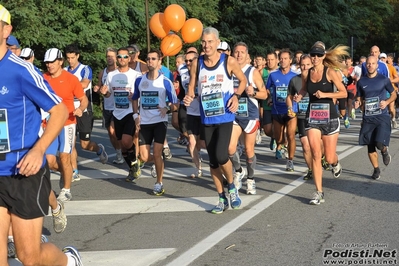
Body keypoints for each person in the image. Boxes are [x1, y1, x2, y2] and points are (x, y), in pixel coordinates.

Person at [0, 5, 82, 265]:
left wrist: (38, 150)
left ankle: (68, 260)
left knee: (29, 257)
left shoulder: (20, 70)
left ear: (7, 29)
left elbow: (59, 110)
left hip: (24, 171)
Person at [183, 27, 247, 214]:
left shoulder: (229, 61)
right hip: (206, 118)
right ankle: (221, 198)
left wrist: (236, 96)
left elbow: (242, 81)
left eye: (210, 41)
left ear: (218, 43)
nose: (206, 45)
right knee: (212, 161)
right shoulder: (197, 63)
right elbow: (192, 88)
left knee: (221, 155)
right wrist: (189, 96)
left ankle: (232, 187)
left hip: (225, 116)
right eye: (203, 42)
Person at [294, 41, 348, 205]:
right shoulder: (307, 74)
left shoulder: (330, 72)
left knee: (329, 157)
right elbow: (304, 89)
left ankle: (335, 163)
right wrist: (300, 95)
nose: (315, 58)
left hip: (330, 117)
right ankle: (318, 192)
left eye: (318, 55)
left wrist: (325, 94)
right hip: (313, 118)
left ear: (324, 56)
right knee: (316, 154)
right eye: (313, 55)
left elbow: (343, 92)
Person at [43, 48, 88, 203]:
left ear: (60, 62)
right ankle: (65, 171)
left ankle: (66, 190)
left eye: (52, 62)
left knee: (64, 156)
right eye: (47, 63)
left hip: (68, 123)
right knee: (49, 160)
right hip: (50, 124)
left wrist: (80, 109)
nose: (49, 65)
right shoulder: (43, 78)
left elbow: (83, 99)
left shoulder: (71, 79)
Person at [132, 49, 179, 195]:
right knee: (144, 157)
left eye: (153, 59)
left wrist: (168, 109)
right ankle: (157, 164)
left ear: (159, 62)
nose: (150, 61)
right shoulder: (140, 80)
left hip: (159, 121)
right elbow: (134, 98)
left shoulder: (166, 82)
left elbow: (175, 104)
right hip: (144, 122)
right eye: (148, 59)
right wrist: (135, 116)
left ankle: (159, 182)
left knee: (157, 153)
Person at [64, 44, 108, 182]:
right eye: (68, 58)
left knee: (84, 144)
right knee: (70, 143)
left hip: (84, 110)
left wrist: (67, 84)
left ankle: (99, 149)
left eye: (72, 57)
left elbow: (84, 83)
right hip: (69, 110)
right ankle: (74, 171)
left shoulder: (85, 69)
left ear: (78, 56)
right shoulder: (64, 70)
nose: (70, 61)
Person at [229, 42, 268, 195]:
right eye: (236, 52)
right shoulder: (229, 70)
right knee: (230, 148)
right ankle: (239, 171)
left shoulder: (252, 72)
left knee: (248, 149)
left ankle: (251, 180)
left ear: (247, 56)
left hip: (250, 114)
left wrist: (253, 93)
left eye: (242, 52)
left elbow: (264, 94)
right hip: (233, 113)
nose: (239, 55)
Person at [100, 47, 142, 182]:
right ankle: (132, 168)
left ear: (129, 59)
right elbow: (108, 94)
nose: (122, 59)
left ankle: (135, 160)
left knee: (126, 140)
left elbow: (143, 91)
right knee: (121, 144)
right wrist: (104, 92)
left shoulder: (136, 75)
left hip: (130, 112)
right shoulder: (111, 75)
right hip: (117, 112)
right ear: (117, 59)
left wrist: (135, 96)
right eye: (120, 57)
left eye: (125, 57)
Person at [355, 56, 397, 179]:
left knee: (379, 143)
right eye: (368, 64)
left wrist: (387, 102)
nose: (370, 65)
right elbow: (359, 98)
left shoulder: (384, 79)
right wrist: (357, 103)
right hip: (368, 117)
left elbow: (394, 95)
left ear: (377, 65)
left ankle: (384, 150)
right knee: (370, 145)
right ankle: (376, 169)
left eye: (373, 63)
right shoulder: (361, 82)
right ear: (365, 65)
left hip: (382, 116)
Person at [266, 49, 298, 170]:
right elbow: (266, 89)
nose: (283, 61)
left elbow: (301, 91)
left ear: (290, 60)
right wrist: (269, 98)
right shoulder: (273, 75)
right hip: (277, 110)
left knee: (291, 135)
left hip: (290, 111)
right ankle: (282, 144)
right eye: (281, 58)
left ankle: (290, 160)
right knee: (279, 138)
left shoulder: (295, 76)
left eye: (285, 59)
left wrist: (297, 98)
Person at [93, 47, 125, 164]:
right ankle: (119, 154)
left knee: (115, 132)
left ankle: (125, 152)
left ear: (116, 58)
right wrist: (97, 89)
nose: (109, 58)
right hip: (107, 106)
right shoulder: (103, 72)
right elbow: (99, 87)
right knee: (110, 134)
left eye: (112, 56)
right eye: (108, 56)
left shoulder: (120, 72)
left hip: (119, 107)